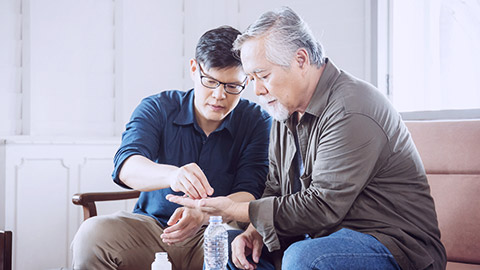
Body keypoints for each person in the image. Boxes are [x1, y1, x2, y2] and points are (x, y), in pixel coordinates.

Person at [167, 7, 447, 270]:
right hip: (320, 236)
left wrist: (237, 210)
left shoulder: (352, 108)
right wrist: (254, 231)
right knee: (232, 247)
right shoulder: (283, 109)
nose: (258, 90)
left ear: (300, 60)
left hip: (391, 244)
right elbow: (275, 186)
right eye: (251, 79)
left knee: (305, 258)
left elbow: (321, 206)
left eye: (263, 75)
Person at [71, 25, 272, 270]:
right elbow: (126, 165)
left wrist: (206, 213)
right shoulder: (158, 107)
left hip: (217, 231)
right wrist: (173, 175)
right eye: (210, 81)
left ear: (247, 81)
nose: (220, 95)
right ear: (194, 69)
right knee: (92, 235)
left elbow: (250, 192)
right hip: (152, 230)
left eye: (232, 86)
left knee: (242, 252)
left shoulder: (257, 122)